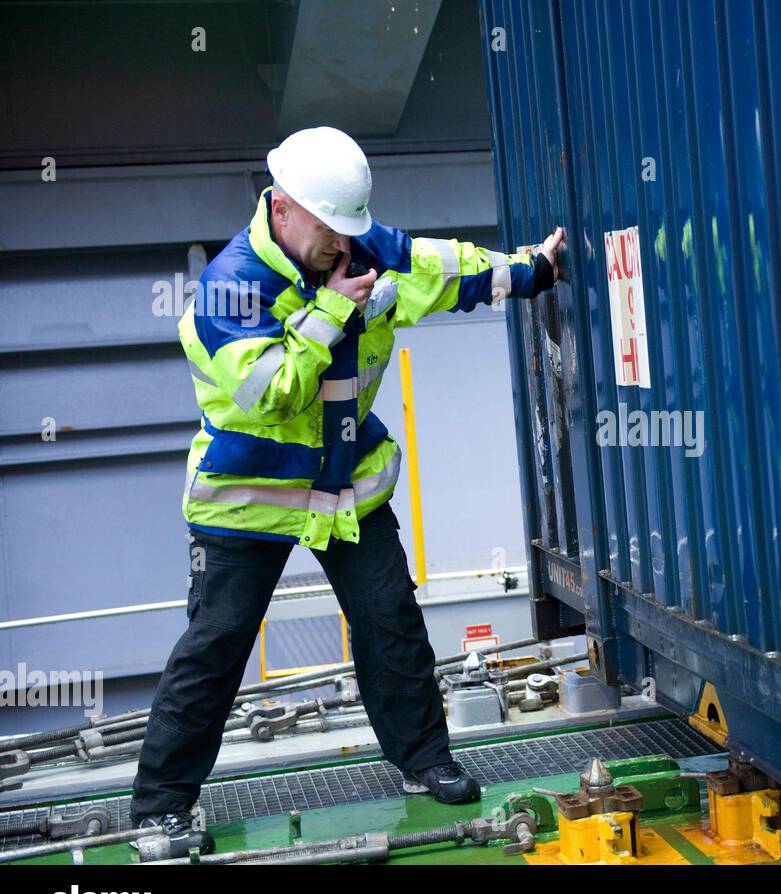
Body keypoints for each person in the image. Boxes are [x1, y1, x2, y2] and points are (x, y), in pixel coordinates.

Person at [128, 126, 564, 846]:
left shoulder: (354, 249)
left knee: (390, 616)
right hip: (248, 498)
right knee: (217, 643)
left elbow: (437, 265)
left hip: (345, 484)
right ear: (284, 207)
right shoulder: (229, 292)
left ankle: (424, 760)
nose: (344, 246)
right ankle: (159, 805)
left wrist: (528, 271)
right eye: (332, 231)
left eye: (351, 232)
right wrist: (333, 310)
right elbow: (276, 394)